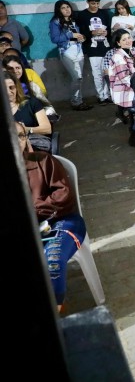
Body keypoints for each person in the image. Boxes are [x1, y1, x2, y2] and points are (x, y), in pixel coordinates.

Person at [18, 123, 85, 311]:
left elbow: (64, 195)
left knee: (52, 261)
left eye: (21, 136)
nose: (16, 140)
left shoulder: (43, 161)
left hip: (61, 221)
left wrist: (34, 207)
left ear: (26, 140)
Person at [49, 0, 91, 110]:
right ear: (59, 10)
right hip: (66, 52)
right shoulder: (55, 22)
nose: (67, 9)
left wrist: (82, 38)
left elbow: (78, 35)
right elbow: (55, 39)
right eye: (63, 8)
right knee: (76, 77)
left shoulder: (73, 20)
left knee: (80, 78)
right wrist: (70, 34)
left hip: (78, 50)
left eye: (68, 7)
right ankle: (75, 101)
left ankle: (79, 101)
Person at [75, 0, 112, 105]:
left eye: (97, 3)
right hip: (92, 48)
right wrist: (92, 33)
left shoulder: (104, 13)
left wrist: (107, 33)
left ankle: (107, 95)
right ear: (87, 2)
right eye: (93, 3)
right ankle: (100, 96)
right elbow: (80, 32)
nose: (95, 6)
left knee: (107, 72)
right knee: (97, 73)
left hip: (105, 47)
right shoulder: (82, 15)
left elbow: (110, 28)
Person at [7, 71, 52, 151]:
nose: (8, 92)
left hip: (34, 149)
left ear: (17, 87)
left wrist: (26, 129)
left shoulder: (31, 103)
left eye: (11, 87)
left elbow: (47, 128)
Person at [4, 54, 56, 120]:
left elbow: (46, 105)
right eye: (10, 68)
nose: (15, 71)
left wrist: (49, 116)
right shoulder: (2, 88)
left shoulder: (32, 86)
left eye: (18, 68)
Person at [107, 29, 135, 127]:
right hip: (124, 89)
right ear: (118, 43)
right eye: (124, 40)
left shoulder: (132, 51)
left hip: (131, 84)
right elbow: (124, 78)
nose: (128, 41)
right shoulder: (118, 57)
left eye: (129, 38)